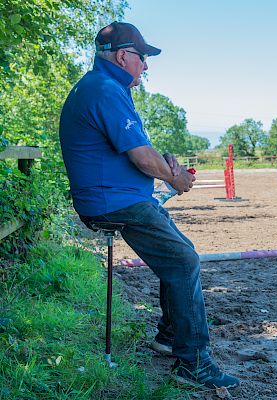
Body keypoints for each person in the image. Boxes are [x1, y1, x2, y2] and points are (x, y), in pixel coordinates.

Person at [59, 22, 240, 390]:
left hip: (119, 197)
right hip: (114, 202)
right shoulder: (106, 89)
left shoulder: (103, 86)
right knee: (183, 259)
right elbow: (142, 158)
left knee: (177, 255)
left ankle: (170, 337)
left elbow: (138, 150)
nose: (146, 67)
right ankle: (194, 364)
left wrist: (167, 166)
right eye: (143, 59)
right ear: (124, 56)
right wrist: (174, 178)